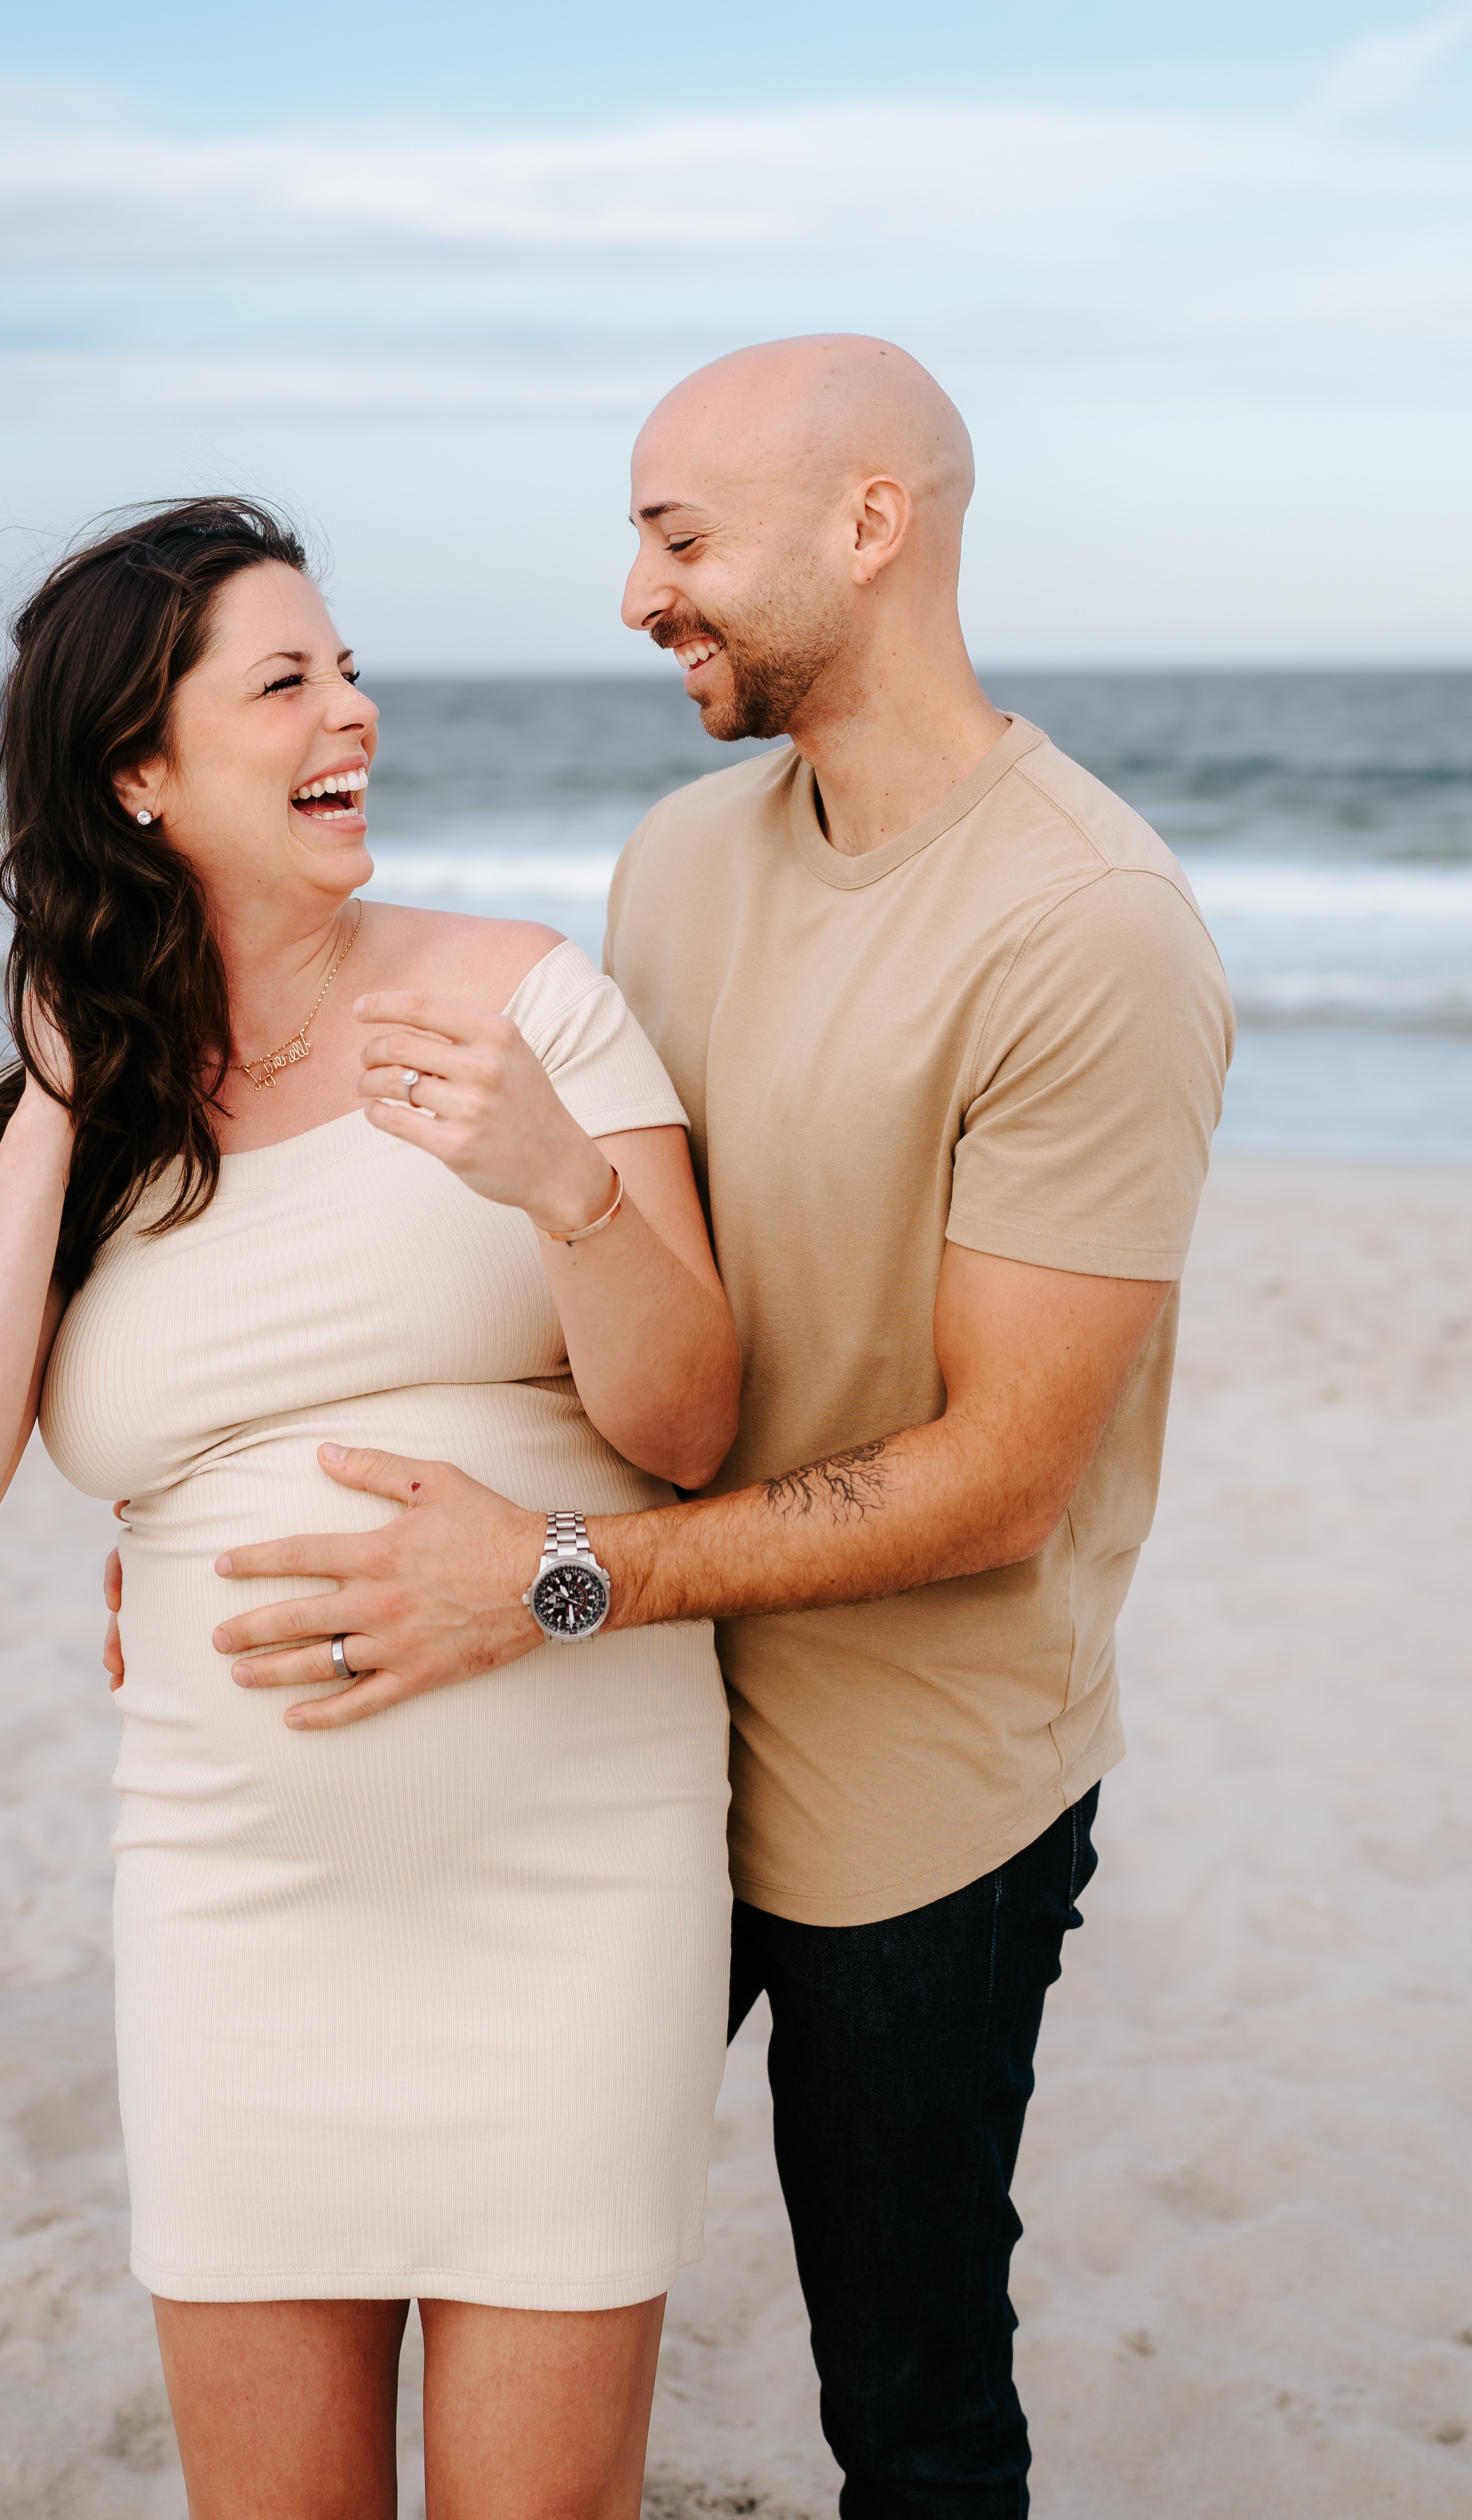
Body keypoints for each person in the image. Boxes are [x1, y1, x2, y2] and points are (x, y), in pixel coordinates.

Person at [196, 341, 1236, 2518]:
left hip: (911, 1801)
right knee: (487, 2249)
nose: (639, 592)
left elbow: (998, 1475)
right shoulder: (679, 860)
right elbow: (597, 1274)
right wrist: (218, 1522)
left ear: (872, 526)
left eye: (680, 537)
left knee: (912, 2393)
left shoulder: (1090, 930)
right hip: (620, 1737)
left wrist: (553, 1577)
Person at [0, 497, 742, 2520]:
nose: (359, 714)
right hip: (235, 1908)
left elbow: (687, 1428)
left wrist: (558, 1181)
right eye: (290, 681)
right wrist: (64, 1090)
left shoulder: (524, 1001)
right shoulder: (88, 1115)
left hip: (572, 1890)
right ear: (137, 774)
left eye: (350, 666)